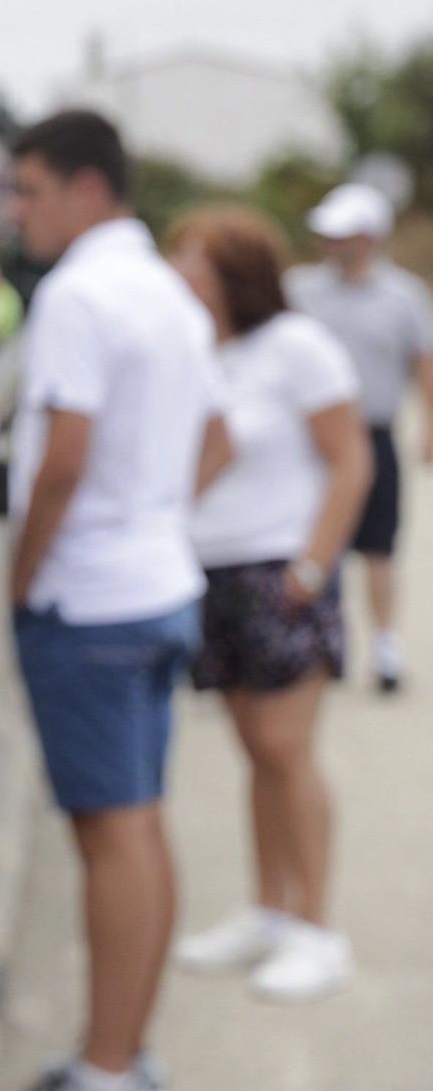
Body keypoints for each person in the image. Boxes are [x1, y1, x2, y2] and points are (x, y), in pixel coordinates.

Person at [7, 111, 227, 1091]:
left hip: (89, 602)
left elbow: (61, 459)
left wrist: (22, 578)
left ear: (84, 187)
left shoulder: (76, 293)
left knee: (110, 834)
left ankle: (103, 1066)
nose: (16, 212)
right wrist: (156, 513)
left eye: (28, 190)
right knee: (136, 824)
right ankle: (122, 1051)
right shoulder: (166, 291)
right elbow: (217, 435)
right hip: (156, 582)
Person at [168, 206, 370, 1003]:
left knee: (287, 747)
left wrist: (315, 564)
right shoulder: (205, 352)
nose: (178, 269)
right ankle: (269, 910)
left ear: (233, 272)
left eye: (191, 256)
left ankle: (319, 928)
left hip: (280, 569)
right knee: (255, 749)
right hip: (214, 571)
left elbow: (350, 460)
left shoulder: (298, 346)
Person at [287, 182, 433, 692]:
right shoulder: (300, 288)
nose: (330, 243)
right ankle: (326, 643)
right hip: (309, 436)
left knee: (378, 546)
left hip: (373, 430)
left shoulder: (404, 297)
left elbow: (423, 362)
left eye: (341, 234)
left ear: (370, 238)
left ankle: (387, 647)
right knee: (315, 539)